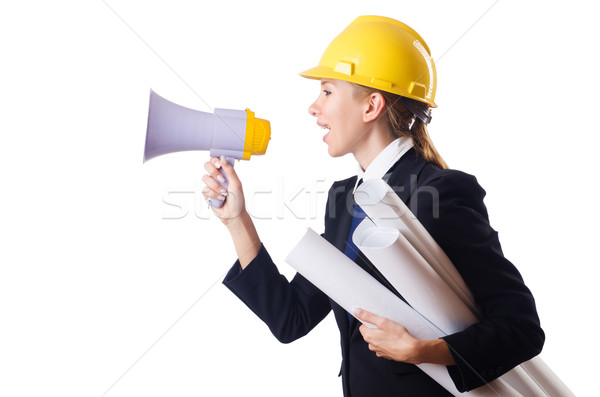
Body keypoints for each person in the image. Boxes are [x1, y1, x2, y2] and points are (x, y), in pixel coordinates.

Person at [201, 15, 544, 397]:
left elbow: (521, 329)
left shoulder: (441, 193)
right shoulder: (344, 198)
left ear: (371, 106)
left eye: (328, 92)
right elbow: (291, 318)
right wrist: (237, 220)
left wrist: (424, 351)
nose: (313, 108)